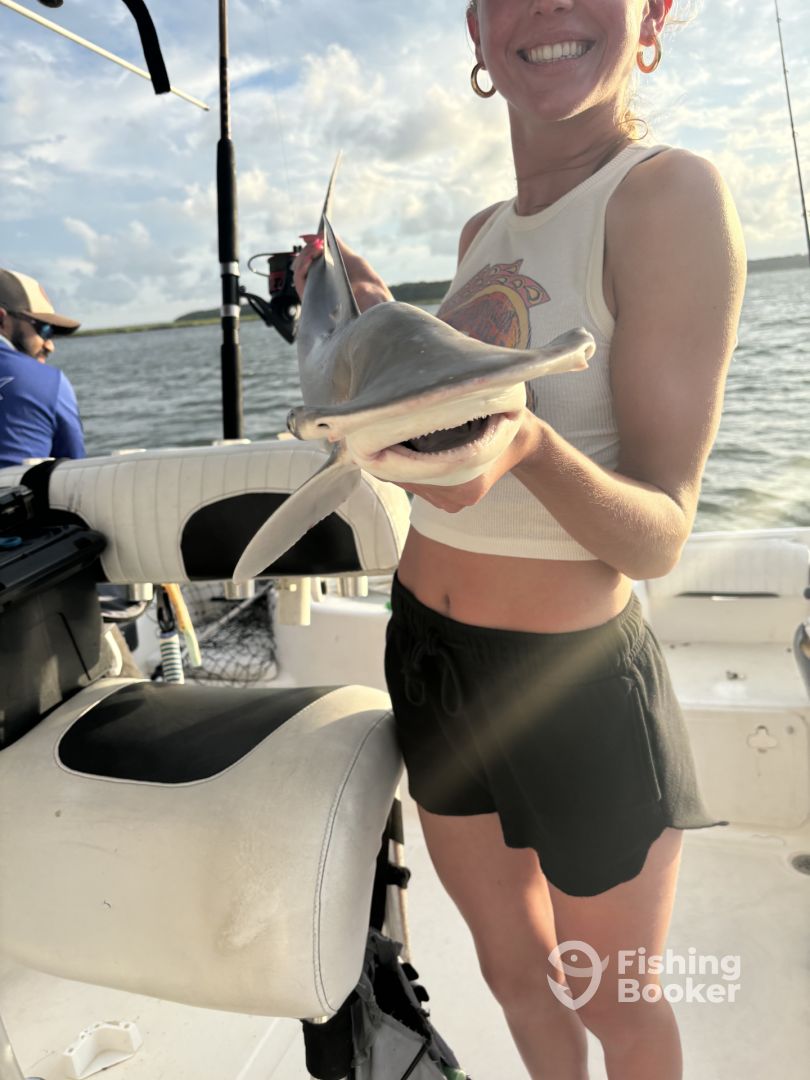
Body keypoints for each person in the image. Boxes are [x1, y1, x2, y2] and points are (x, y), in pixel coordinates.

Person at [295, 2, 746, 1077]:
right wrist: (372, 325)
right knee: (513, 974)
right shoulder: (479, 234)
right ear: (478, 29)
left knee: (615, 1000)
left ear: (653, 15)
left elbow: (659, 535)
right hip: (430, 657)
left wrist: (531, 446)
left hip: (572, 684)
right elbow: (450, 450)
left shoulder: (666, 196)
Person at [0, 268, 85, 468]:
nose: (50, 345)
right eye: (43, 329)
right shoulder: (50, 382)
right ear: (1, 320)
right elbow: (77, 471)